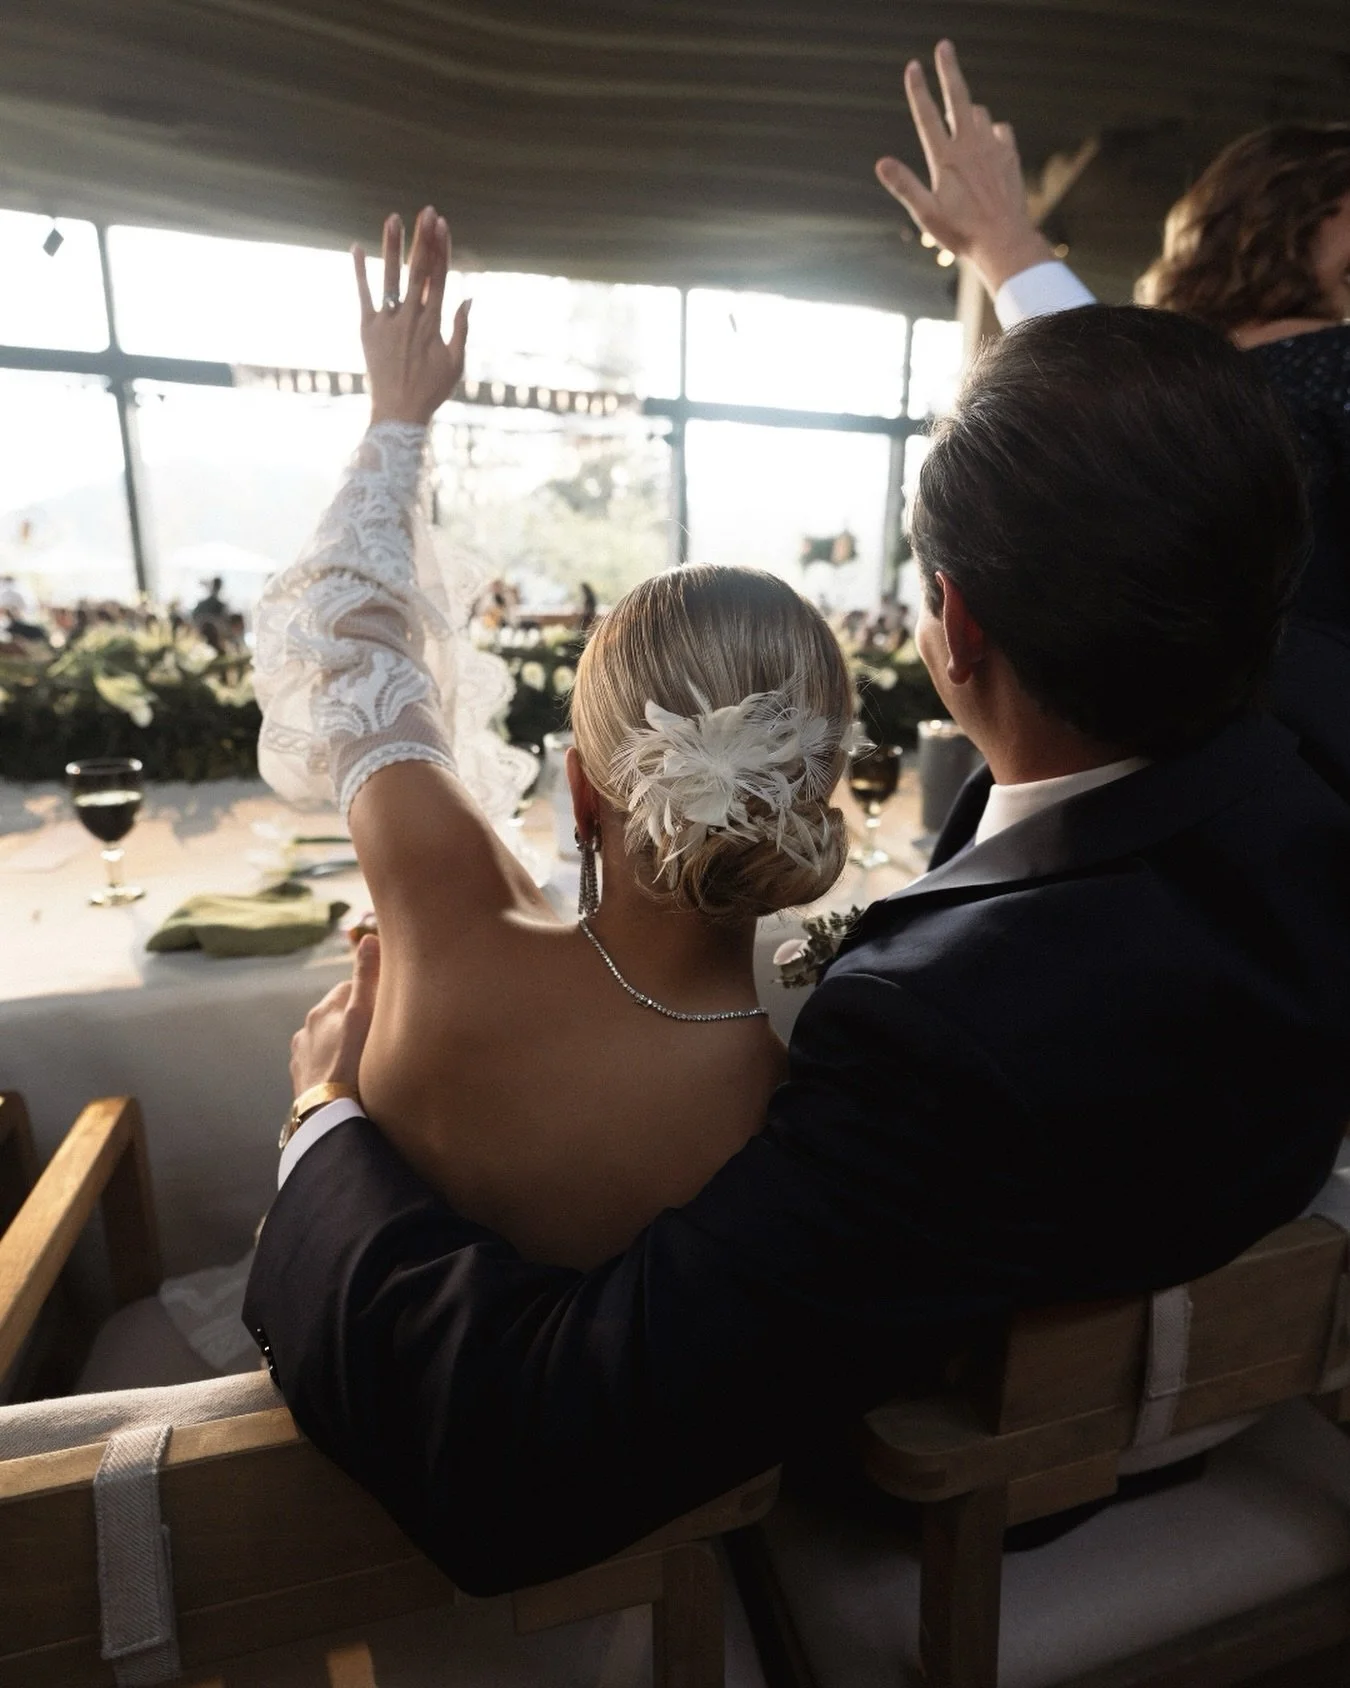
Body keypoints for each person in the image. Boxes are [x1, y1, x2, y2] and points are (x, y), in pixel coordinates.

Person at [245, 209, 1350, 1595]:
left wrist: (322, 1123)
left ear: (952, 626)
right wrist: (1013, 252)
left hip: (987, 1513)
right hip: (1256, 1428)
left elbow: (526, 1450)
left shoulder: (928, 1048)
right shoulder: (1315, 756)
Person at [252, 207, 855, 1270]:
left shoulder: (444, 909)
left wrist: (398, 418)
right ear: (815, 791)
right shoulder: (786, 1110)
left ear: (579, 790)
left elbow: (351, 637)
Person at [876, 42, 1350, 794]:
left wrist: (1005, 243)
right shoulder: (1218, 388)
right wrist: (1003, 243)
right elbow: (1132, 431)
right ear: (1281, 211)